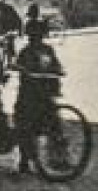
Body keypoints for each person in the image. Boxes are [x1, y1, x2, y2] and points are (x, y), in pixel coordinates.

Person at [12, 20, 65, 175]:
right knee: (25, 125)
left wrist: (59, 71)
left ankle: (58, 159)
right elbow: (21, 67)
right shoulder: (26, 52)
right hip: (30, 95)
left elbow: (56, 65)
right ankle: (24, 160)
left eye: (39, 35)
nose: (36, 38)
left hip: (46, 93)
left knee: (54, 126)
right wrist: (23, 70)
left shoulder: (48, 50)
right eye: (33, 35)